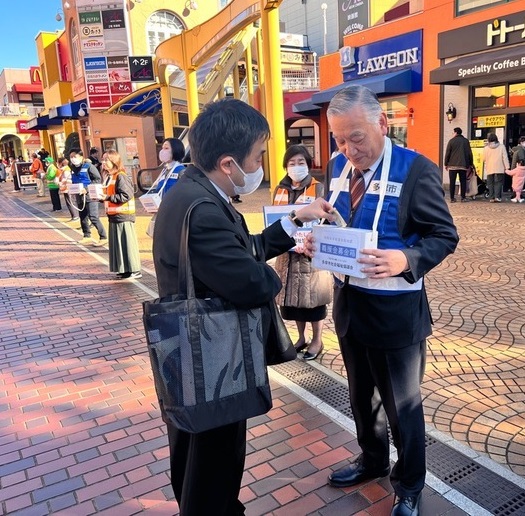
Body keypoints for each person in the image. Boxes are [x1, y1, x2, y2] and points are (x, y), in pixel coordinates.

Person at [152, 97, 334, 516]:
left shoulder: (194, 191)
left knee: (198, 455)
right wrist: (277, 275)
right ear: (229, 163)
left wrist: (295, 221)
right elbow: (251, 281)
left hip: (193, 351)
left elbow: (244, 248)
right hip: (211, 359)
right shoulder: (202, 209)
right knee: (213, 461)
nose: (261, 167)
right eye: (257, 157)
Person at [306, 85, 458, 516]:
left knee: (402, 406)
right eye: (338, 138)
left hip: (396, 312)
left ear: (381, 124)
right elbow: (336, 218)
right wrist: (312, 240)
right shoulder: (337, 167)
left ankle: (409, 483)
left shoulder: (416, 170)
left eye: (356, 137)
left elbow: (444, 236)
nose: (348, 149)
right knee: (360, 396)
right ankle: (372, 460)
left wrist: (405, 258)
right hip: (350, 303)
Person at [273, 144, 331, 360]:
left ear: (308, 165)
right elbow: (274, 218)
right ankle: (301, 337)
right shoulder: (280, 189)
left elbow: (326, 220)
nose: (296, 167)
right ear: (286, 166)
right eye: (292, 163)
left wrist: (310, 241)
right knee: (294, 301)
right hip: (288, 253)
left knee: (313, 299)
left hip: (311, 253)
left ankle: (317, 340)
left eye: (301, 162)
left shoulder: (318, 188)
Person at [100, 150, 142, 279]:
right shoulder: (109, 177)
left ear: (114, 161)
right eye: (103, 160)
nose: (103, 162)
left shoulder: (120, 176)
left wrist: (107, 197)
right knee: (118, 244)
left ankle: (134, 269)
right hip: (114, 216)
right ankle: (124, 269)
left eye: (106, 160)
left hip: (123, 216)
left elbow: (126, 195)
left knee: (127, 244)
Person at [69, 149, 108, 245]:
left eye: (75, 156)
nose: (73, 159)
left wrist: (86, 189)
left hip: (91, 195)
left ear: (81, 157)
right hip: (79, 195)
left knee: (93, 216)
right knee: (83, 216)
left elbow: (97, 179)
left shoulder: (89, 167)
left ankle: (103, 237)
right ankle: (87, 235)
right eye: (71, 157)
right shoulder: (72, 168)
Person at [444, 127, 473, 203]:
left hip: (452, 165)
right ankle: (463, 197)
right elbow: (469, 153)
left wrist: (446, 164)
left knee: (452, 182)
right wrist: (470, 163)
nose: (452, 134)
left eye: (453, 132)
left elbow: (448, 153)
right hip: (463, 165)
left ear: (456, 132)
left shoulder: (451, 141)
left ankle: (452, 198)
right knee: (463, 181)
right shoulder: (465, 141)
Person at [483, 132, 510, 203]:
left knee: (490, 183)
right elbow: (505, 157)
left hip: (489, 167)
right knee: (498, 182)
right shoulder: (502, 146)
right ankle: (497, 197)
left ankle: (491, 197)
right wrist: (507, 167)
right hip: (499, 167)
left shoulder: (486, 148)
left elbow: (483, 158)